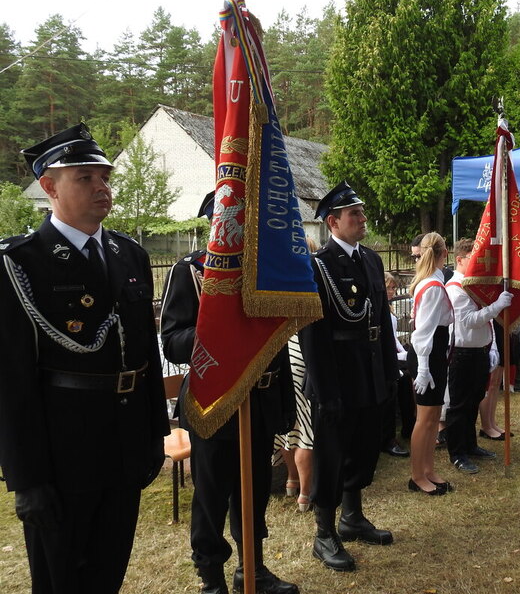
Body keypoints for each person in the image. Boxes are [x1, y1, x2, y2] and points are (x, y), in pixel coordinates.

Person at [0, 123, 169, 593]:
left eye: (105, 178)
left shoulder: (129, 254)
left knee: (108, 570)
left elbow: (146, 355)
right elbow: (10, 379)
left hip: (125, 441)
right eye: (85, 178)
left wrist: (155, 433)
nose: (102, 188)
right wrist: (26, 479)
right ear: (50, 187)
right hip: (62, 453)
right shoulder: (20, 262)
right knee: (61, 579)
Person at [160, 191, 298, 594]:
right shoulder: (190, 271)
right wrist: (220, 332)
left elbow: (277, 343)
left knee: (254, 492)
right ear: (215, 225)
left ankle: (252, 569)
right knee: (211, 497)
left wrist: (284, 401)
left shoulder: (265, 274)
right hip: (213, 404)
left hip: (260, 401)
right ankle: (212, 578)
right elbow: (172, 341)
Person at [300, 181, 398, 571]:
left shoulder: (371, 260)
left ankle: (353, 517)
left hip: (368, 370)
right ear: (333, 222)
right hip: (336, 375)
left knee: (362, 447)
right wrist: (326, 391)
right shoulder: (318, 265)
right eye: (354, 214)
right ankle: (324, 534)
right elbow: (313, 334)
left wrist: (389, 371)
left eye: (361, 212)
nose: (362, 218)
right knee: (331, 455)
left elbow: (382, 321)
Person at [444, 238, 512, 474]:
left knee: (474, 401)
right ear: (460, 260)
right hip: (462, 354)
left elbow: (485, 322)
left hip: (479, 351)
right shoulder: (455, 288)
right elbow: (469, 321)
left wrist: (491, 348)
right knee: (459, 405)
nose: (478, 264)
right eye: (473, 259)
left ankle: (470, 445)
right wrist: (496, 307)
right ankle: (457, 453)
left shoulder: (473, 286)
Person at [274, 237, 319, 512]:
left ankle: (291, 480)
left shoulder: (278, 281)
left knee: (289, 424)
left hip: (281, 353)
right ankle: (305, 492)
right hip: (301, 352)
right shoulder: (308, 283)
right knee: (305, 429)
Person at [407, 232, 454, 494]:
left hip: (434, 353)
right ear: (444, 254)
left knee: (434, 416)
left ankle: (428, 469)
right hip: (427, 354)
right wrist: (424, 369)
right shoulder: (433, 286)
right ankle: (417, 475)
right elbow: (422, 333)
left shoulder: (432, 282)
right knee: (425, 419)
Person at [381, 271, 411, 457]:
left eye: (393, 288)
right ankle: (389, 438)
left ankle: (409, 426)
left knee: (409, 376)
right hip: (385, 359)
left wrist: (404, 354)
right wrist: (398, 356)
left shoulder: (389, 308)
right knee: (401, 382)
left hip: (394, 355)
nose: (392, 291)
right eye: (388, 288)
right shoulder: (378, 307)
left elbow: (393, 338)